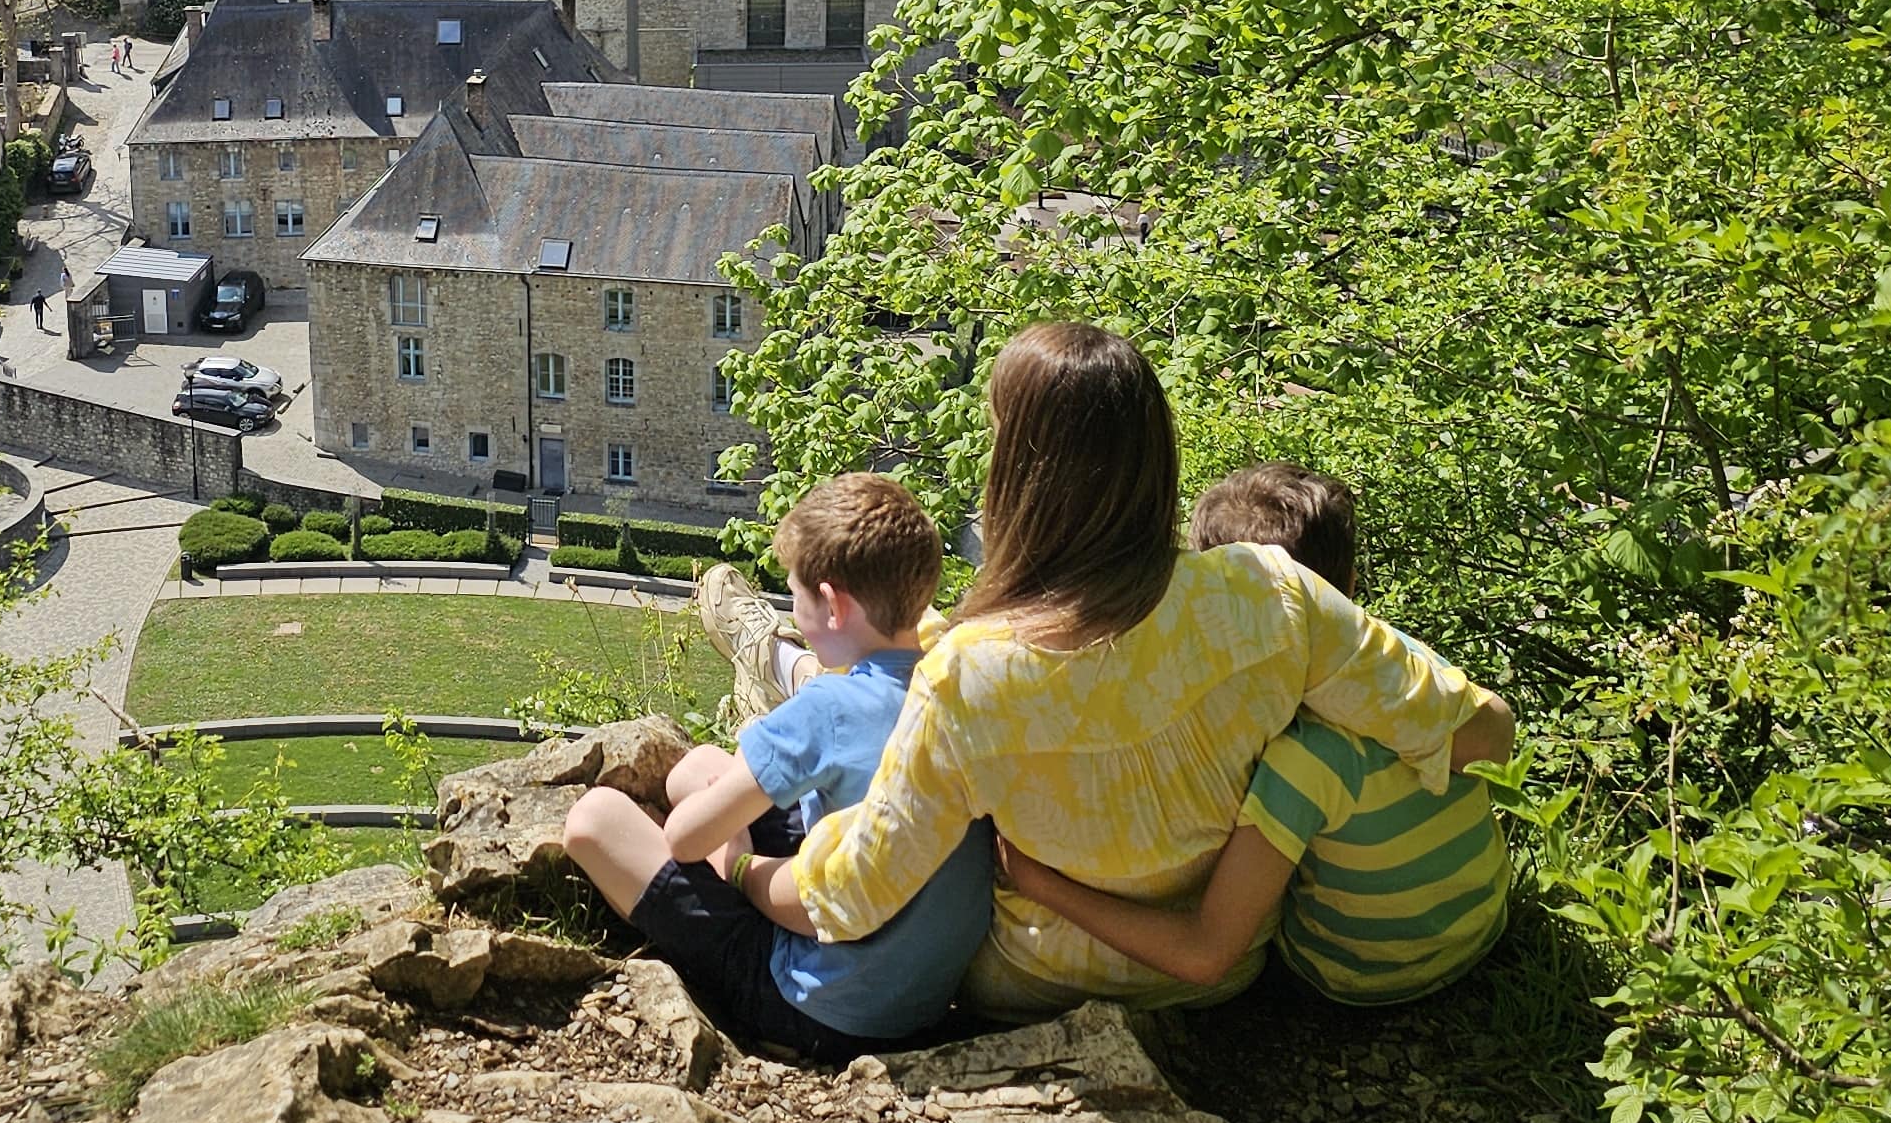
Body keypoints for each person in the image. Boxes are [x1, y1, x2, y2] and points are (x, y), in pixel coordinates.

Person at [790, 324, 1514, 1017]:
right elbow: (1484, 735)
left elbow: (857, 893)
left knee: (873, 737)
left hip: (1031, 984)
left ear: (1017, 473)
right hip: (1221, 982)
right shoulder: (1268, 593)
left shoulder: (967, 671)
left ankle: (789, 686)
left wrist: (735, 870)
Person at [996, 466, 1512, 1007]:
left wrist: (1041, 884)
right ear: (1350, 585)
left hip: (1366, 978)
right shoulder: (1397, 662)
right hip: (1483, 921)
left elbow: (1206, 953)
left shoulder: (1305, 754)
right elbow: (1494, 740)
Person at [560, 473, 993, 1063]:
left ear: (833, 605)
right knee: (703, 767)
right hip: (915, 1001)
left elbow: (687, 841)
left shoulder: (829, 708)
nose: (792, 607)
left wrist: (734, 855)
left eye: (794, 595)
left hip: (817, 1007)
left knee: (594, 819)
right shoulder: (951, 685)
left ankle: (743, 945)